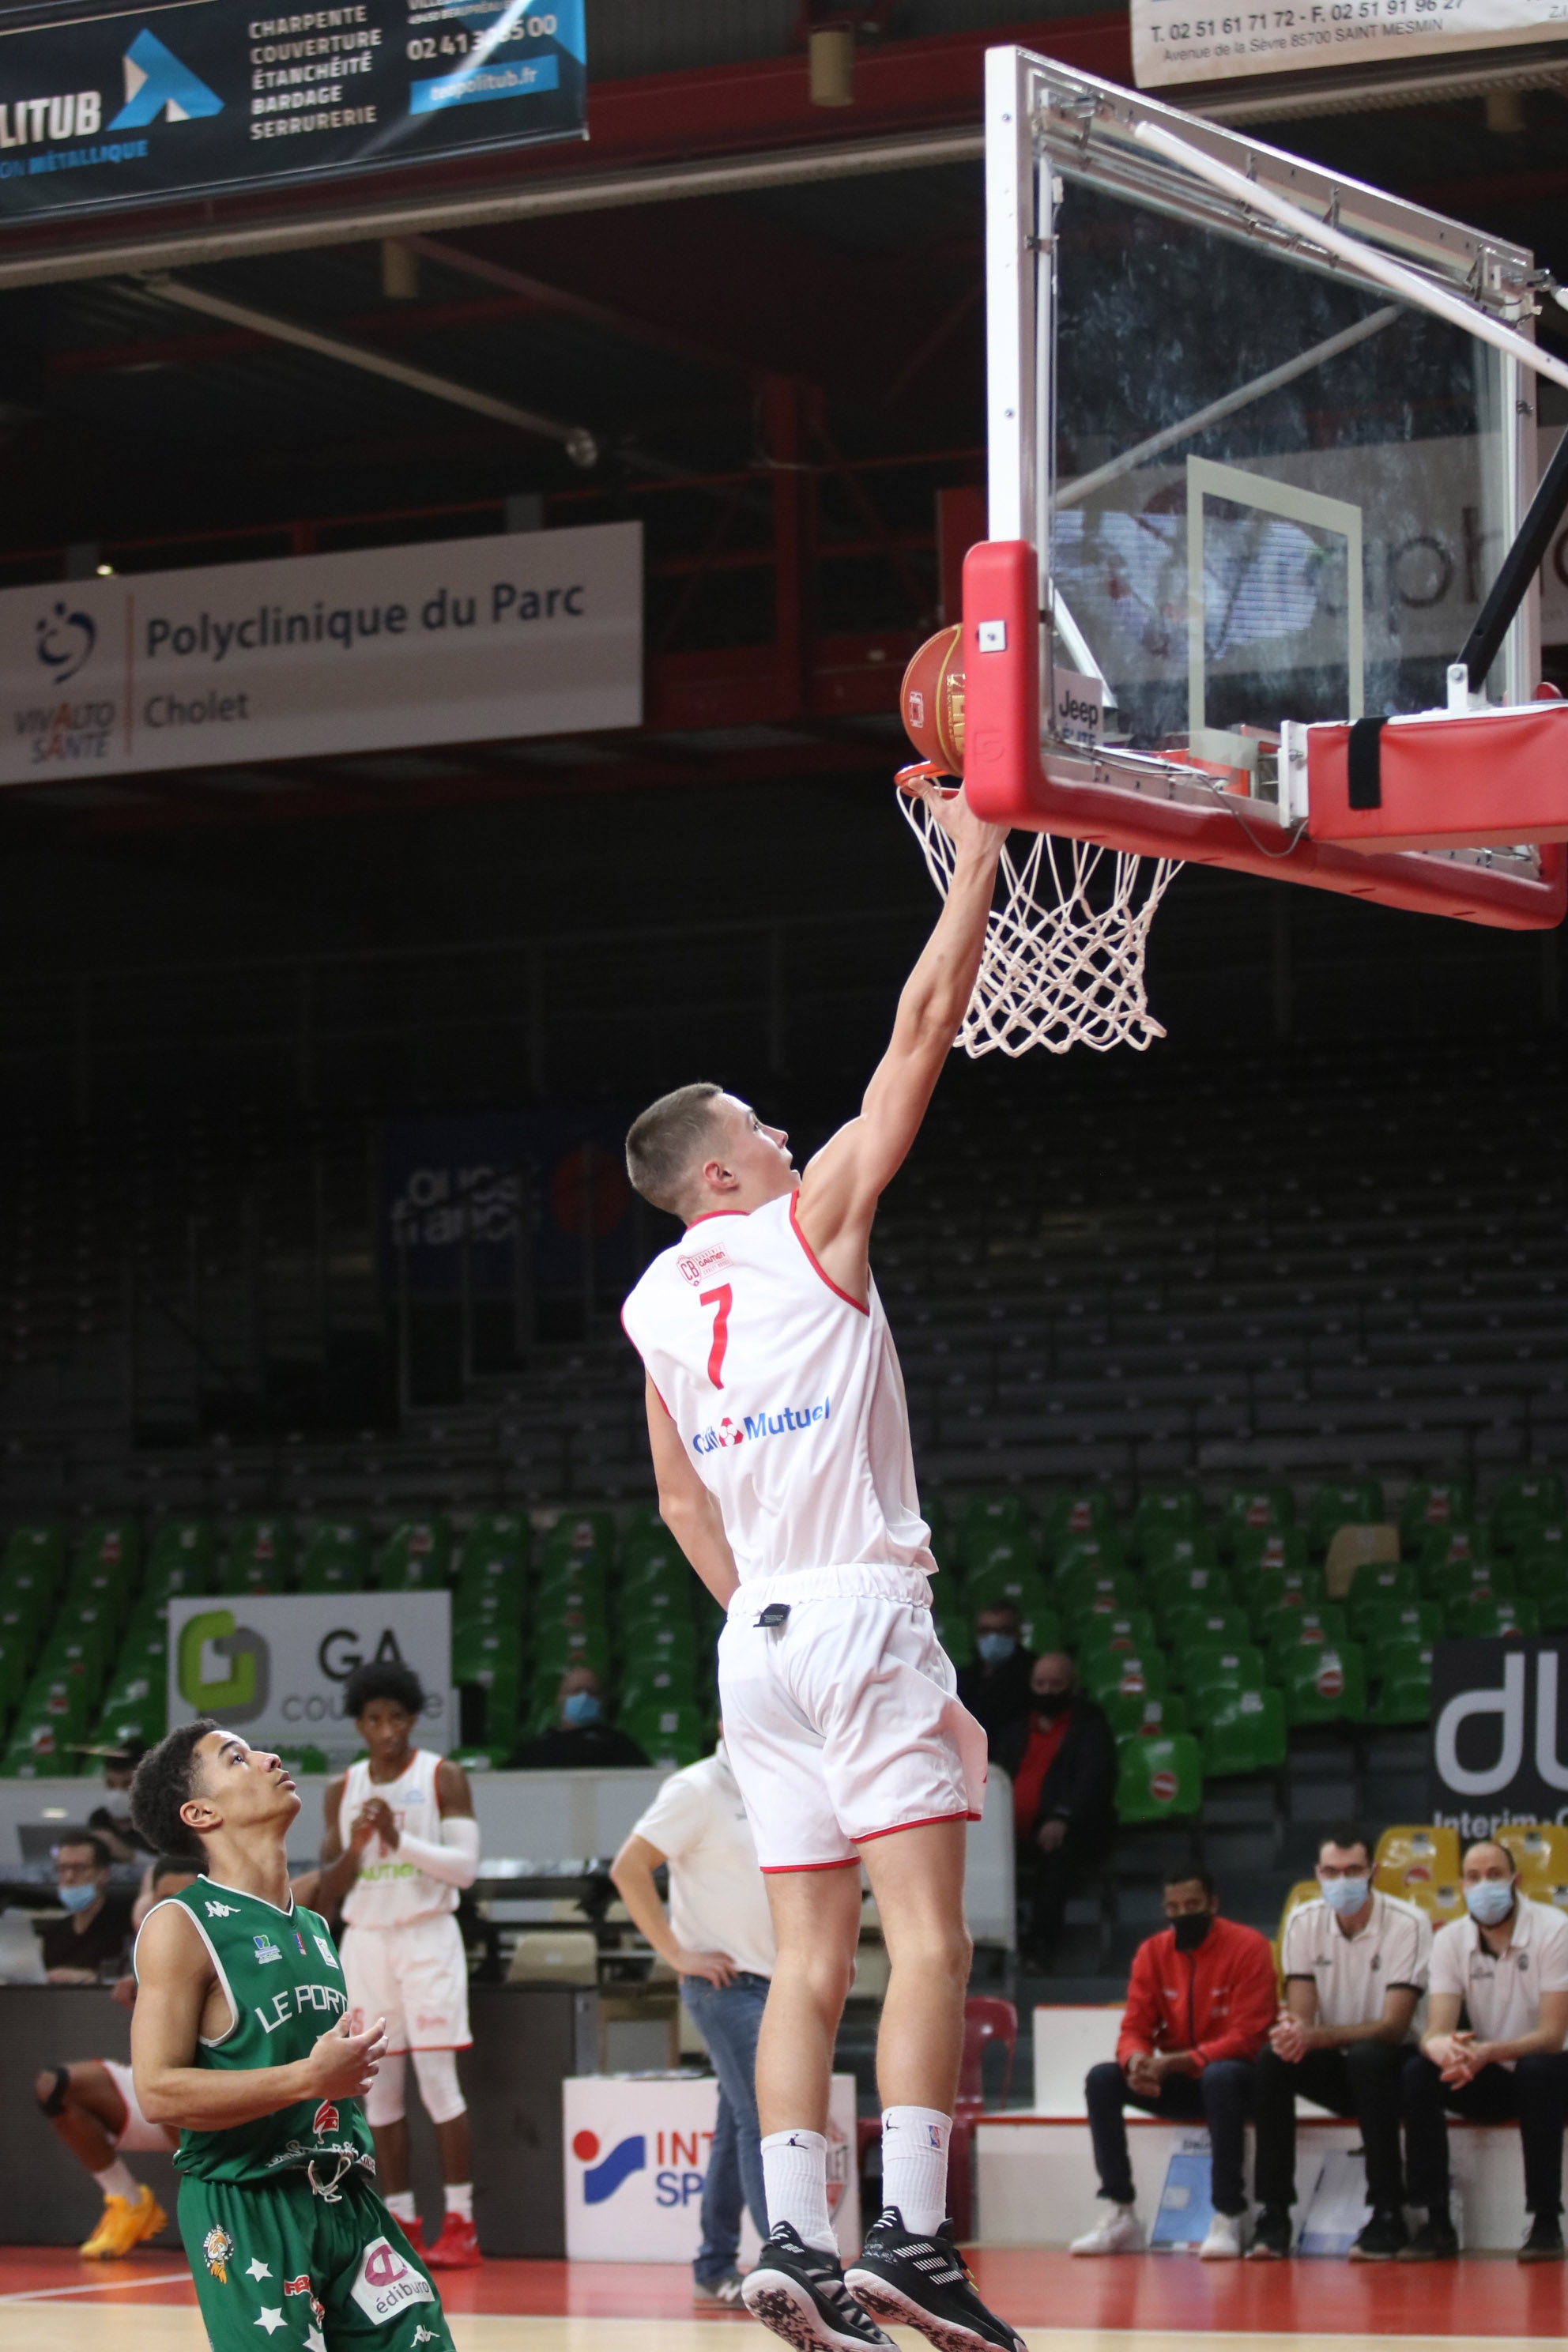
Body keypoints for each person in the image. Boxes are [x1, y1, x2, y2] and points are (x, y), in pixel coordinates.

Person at [620, 777, 1025, 2352]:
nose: (785, 1133)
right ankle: (909, 2242)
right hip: (855, 1601)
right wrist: (975, 871)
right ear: (719, 1174)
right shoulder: (811, 1230)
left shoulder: (658, 1302)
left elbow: (674, 1501)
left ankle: (788, 2236)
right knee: (926, 1938)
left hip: (757, 1634)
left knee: (805, 1962)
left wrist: (765, 1626)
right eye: (756, 1128)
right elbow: (919, 1032)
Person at [128, 1718, 452, 2352]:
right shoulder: (182, 1925)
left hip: (346, 2195)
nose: (269, 1757)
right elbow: (158, 2092)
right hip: (249, 2205)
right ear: (199, 1812)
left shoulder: (312, 1927)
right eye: (237, 1758)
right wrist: (308, 2077)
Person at [315, 1660, 482, 2269]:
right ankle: (402, 2222)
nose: (386, 1729)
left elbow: (464, 1870)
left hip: (427, 1935)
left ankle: (461, 2223)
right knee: (378, 2094)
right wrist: (360, 1845)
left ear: (412, 1719)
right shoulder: (342, 1789)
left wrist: (396, 1838)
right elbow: (328, 1889)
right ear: (359, 1725)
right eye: (373, 1719)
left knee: (439, 2085)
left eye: (397, 1717)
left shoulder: (444, 1777)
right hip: (365, 1941)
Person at [611, 1726, 775, 2306]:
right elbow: (629, 1868)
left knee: (737, 2125)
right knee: (766, 2114)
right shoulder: (697, 1787)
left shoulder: (779, 1780)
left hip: (781, 1983)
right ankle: (789, 2262)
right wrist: (677, 1954)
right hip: (726, 1985)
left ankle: (714, 2263)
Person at [1071, 1865, 1276, 2260]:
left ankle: (1228, 2213)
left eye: (1193, 1905)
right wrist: (1136, 2062)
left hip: (1238, 2080)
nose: (1183, 1914)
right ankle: (1121, 2210)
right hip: (1180, 2077)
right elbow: (1133, 2027)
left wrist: (1181, 2061)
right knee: (1102, 2078)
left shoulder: (1249, 1947)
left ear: (1213, 1904)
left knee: (1220, 2075)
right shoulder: (1153, 1952)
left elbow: (1249, 2036)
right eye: (1174, 1907)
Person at [1250, 1826, 1430, 2262]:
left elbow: (1392, 2026)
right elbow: (1301, 2015)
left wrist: (1314, 2036)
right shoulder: (1302, 1921)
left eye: (1352, 1870)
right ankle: (1273, 2214)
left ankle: (1388, 2211)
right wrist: (1293, 2034)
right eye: (1332, 1871)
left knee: (1368, 2058)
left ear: (1373, 1871)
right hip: (1336, 2061)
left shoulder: (1410, 1922)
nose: (1342, 1880)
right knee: (1273, 2059)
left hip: (1395, 2062)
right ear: (1318, 1872)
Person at [1399, 1838, 1568, 2263]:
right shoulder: (1450, 1940)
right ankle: (1436, 2222)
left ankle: (1546, 2221)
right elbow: (1434, 2029)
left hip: (1552, 2073)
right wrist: (1442, 2048)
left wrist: (1486, 2052)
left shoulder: (1556, 1930)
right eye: (1473, 1878)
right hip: (1491, 2071)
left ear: (1516, 1880)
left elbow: (1552, 2034)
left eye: (1494, 1875)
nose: (1484, 1885)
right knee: (1418, 2072)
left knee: (1537, 2069)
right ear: (1461, 1886)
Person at [35, 1855, 196, 2258]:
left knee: (186, 2088)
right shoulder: (154, 1948)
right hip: (160, 2098)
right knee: (56, 2087)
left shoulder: (238, 1950)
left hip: (218, 2112)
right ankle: (130, 2204)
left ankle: (224, 2221)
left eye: (184, 1898)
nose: (173, 1908)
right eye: (164, 1898)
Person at [994, 1653, 1118, 1969]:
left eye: (1055, 1684)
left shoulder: (1091, 1726)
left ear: (1072, 1686)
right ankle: (994, 1942)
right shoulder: (1016, 1729)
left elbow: (1094, 1779)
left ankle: (1041, 1946)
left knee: (1057, 1854)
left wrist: (1063, 1816)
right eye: (1040, 1684)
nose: (1047, 1691)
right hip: (1009, 1832)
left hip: (1070, 1830)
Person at [36, 1830, 134, 1984]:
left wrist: (94, 1978)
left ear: (103, 1874)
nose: (69, 1877)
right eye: (62, 1869)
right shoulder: (54, 1934)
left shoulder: (128, 1927)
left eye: (79, 1868)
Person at [513, 1667, 650, 1769]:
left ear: (601, 1701)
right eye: (576, 1691)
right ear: (561, 1699)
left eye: (591, 1692)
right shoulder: (539, 1748)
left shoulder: (620, 1746)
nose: (584, 1697)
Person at [955, 1606, 1034, 1753]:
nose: (993, 1637)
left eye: (1002, 1631)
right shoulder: (965, 1678)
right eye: (986, 1630)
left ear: (1017, 1634)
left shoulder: (1033, 1674)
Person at [87, 1743, 155, 1860]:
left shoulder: (160, 1823)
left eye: (127, 1784)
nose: (117, 1793)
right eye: (111, 1784)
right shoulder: (100, 1819)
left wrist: (130, 1855)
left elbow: (176, 1870)